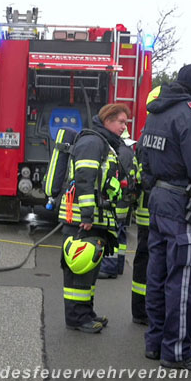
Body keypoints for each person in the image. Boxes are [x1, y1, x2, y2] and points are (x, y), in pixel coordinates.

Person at [140, 64, 191, 370]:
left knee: (158, 273)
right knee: (184, 279)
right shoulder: (190, 114)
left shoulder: (156, 113)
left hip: (159, 200)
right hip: (182, 204)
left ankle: (155, 342)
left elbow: (143, 159)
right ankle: (176, 352)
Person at [58, 103, 128, 333]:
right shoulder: (92, 142)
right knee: (79, 271)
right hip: (82, 219)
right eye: (121, 122)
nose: (124, 127)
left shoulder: (103, 143)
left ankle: (86, 312)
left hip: (93, 219)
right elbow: (84, 179)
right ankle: (77, 319)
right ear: (108, 120)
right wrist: (87, 215)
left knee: (89, 271)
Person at [131, 85, 161, 325]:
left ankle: (141, 310)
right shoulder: (158, 134)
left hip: (146, 210)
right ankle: (145, 310)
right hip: (155, 210)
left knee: (144, 258)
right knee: (152, 259)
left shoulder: (144, 134)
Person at [98, 130, 137, 279]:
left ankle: (109, 268)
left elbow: (116, 175)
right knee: (120, 234)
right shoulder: (128, 151)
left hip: (118, 199)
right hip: (125, 198)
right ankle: (118, 265)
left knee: (112, 231)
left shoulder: (119, 151)